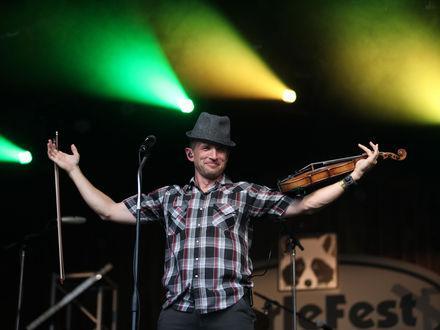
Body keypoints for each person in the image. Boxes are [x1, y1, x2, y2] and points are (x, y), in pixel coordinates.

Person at [47, 112, 379, 330]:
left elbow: (304, 205)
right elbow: (109, 210)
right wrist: (74, 170)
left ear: (227, 156)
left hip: (228, 309)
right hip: (178, 310)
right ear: (191, 154)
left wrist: (353, 176)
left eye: (220, 149)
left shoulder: (243, 193)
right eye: (206, 147)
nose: (213, 155)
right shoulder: (170, 197)